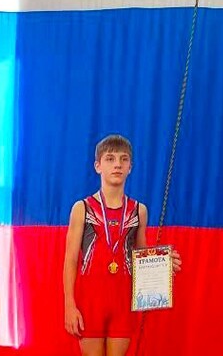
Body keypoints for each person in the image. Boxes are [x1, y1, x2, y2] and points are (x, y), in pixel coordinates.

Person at [63, 134, 181, 356]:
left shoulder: (139, 211)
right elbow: (70, 260)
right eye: (110, 159)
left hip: (122, 302)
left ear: (130, 167)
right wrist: (69, 304)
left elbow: (141, 258)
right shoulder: (82, 208)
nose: (117, 164)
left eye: (123, 159)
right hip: (90, 302)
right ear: (98, 166)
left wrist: (163, 265)